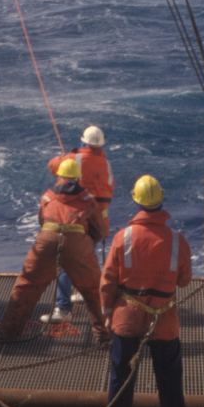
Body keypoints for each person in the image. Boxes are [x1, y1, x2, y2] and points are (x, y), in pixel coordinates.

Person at [100, 174, 194, 407]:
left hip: (127, 318)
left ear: (136, 201)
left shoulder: (123, 237)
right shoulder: (178, 241)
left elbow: (108, 281)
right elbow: (184, 280)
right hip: (163, 320)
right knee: (170, 379)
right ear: (161, 200)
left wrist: (107, 313)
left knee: (121, 375)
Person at [0, 158, 107, 341]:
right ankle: (104, 335)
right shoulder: (87, 198)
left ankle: (8, 332)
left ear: (59, 176)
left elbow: (42, 222)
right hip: (77, 241)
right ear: (78, 178)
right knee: (93, 289)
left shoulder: (47, 196)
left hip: (47, 239)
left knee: (27, 285)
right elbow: (99, 231)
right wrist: (83, 244)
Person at [42, 124, 114, 322]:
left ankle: (63, 308)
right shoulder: (106, 165)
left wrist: (64, 158)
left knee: (66, 261)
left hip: (77, 221)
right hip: (99, 223)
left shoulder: (73, 159)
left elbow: (53, 167)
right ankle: (84, 292)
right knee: (87, 257)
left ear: (83, 141)